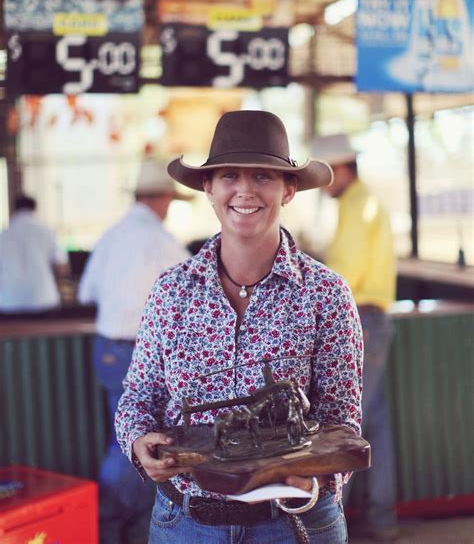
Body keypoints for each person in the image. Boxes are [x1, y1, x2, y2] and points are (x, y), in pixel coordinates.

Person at [115, 110, 364, 544]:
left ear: (288, 190)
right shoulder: (171, 292)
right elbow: (139, 396)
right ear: (208, 188)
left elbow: (342, 419)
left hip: (295, 522)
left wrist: (319, 480)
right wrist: (138, 442)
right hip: (185, 523)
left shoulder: (326, 293)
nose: (245, 190)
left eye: (263, 177)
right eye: (229, 175)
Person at [78, 159, 191, 544]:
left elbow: (85, 293)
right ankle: (112, 526)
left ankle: (125, 527)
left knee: (127, 440)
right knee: (137, 443)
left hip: (107, 348)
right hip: (139, 353)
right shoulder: (161, 242)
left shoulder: (112, 235)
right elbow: (197, 296)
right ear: (161, 199)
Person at [313, 133, 398, 542]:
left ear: (341, 169)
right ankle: (383, 519)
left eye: (326, 175)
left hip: (359, 318)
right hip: (375, 318)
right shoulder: (366, 202)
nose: (324, 185)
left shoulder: (354, 206)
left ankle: (331, 524)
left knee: (341, 425)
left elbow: (342, 276)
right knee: (371, 423)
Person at [0, 194, 69, 314]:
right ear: (34, 209)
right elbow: (62, 268)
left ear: (14, 209)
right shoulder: (48, 232)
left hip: (8, 303)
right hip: (43, 300)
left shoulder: (3, 236)